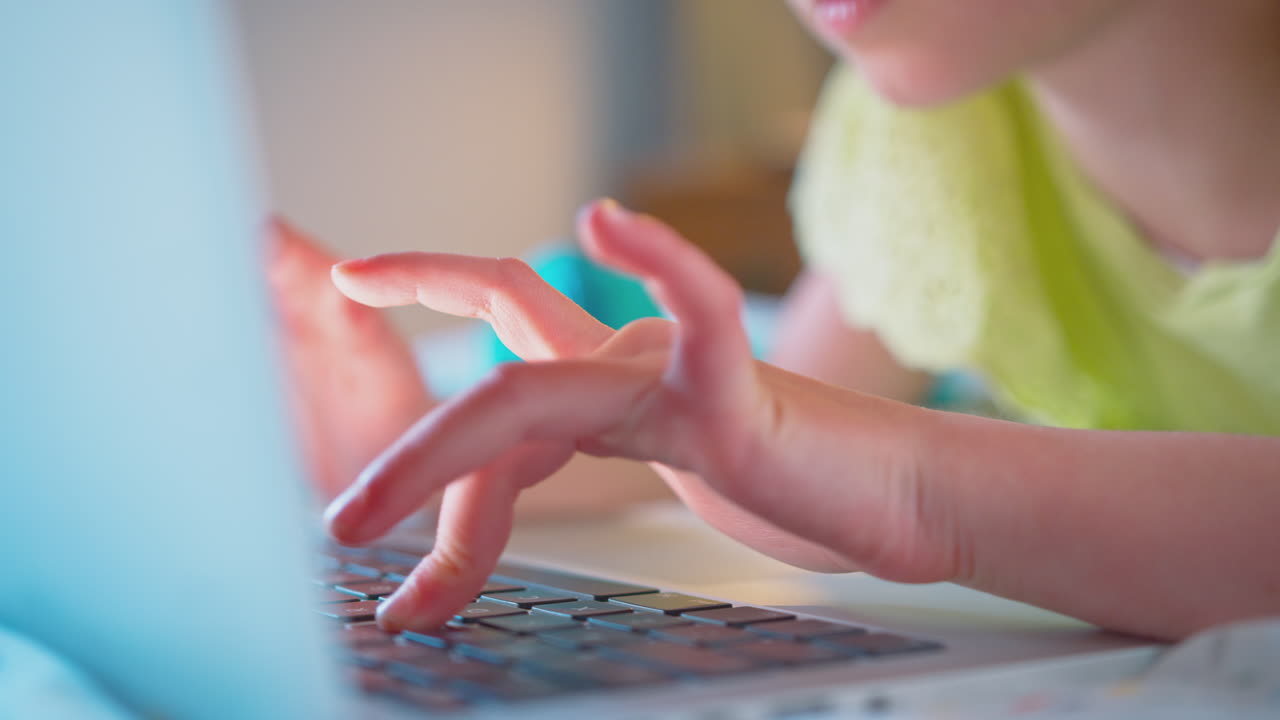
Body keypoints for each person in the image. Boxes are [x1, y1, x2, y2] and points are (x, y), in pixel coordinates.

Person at [272, 0, 1280, 641]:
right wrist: (412, 459)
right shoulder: (928, 139)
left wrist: (916, 491)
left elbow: (864, 462)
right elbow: (770, 441)